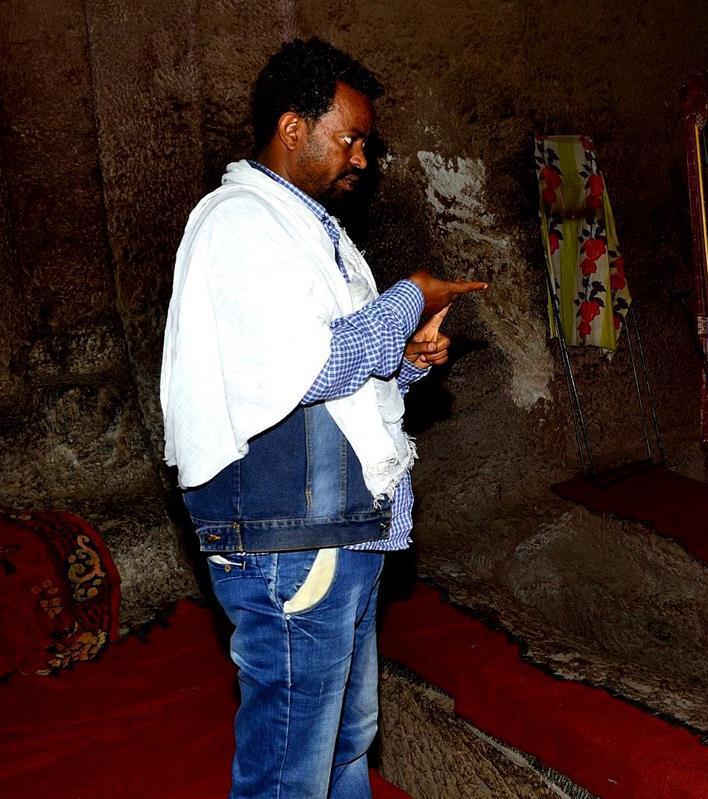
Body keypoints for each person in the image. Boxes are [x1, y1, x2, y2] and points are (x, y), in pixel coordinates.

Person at [159, 39, 486, 798]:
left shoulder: (314, 232)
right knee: (290, 771)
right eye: (350, 139)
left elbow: (340, 385)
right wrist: (410, 295)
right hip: (292, 541)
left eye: (366, 144)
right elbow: (315, 366)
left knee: (344, 742)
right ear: (292, 128)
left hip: (337, 530)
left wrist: (407, 362)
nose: (362, 159)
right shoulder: (239, 223)